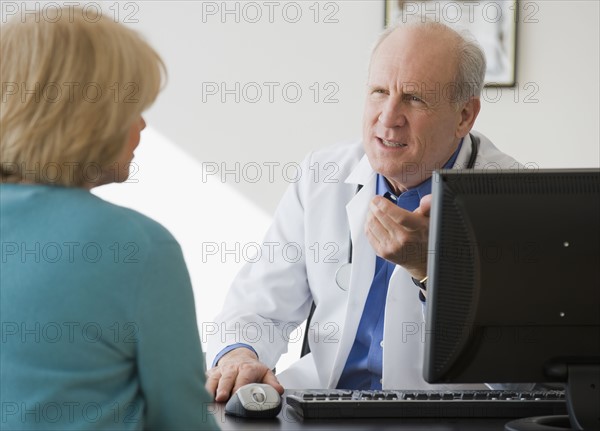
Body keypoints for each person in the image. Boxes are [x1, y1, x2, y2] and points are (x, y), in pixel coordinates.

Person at [205, 19, 520, 402]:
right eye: (379, 91)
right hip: (322, 406)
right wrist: (241, 355)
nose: (388, 117)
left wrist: (430, 271)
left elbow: (519, 378)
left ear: (464, 116)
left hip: (447, 416)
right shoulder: (321, 176)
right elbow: (259, 306)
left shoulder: (510, 194)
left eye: (415, 98)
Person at [0, 7, 219, 430]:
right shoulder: (138, 246)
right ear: (88, 115)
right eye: (133, 107)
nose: (142, 124)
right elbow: (184, 422)